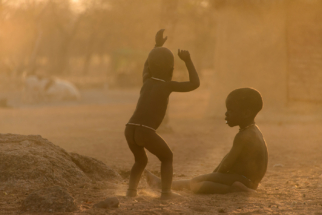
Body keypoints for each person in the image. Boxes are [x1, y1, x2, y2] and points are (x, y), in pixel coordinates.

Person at [146, 88, 268, 194]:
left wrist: (213, 177)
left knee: (197, 185)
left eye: (230, 111)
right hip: (247, 180)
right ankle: (162, 184)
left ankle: (235, 190)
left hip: (243, 181)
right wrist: (214, 176)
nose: (226, 114)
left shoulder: (243, 136)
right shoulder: (253, 130)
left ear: (246, 113)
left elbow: (227, 164)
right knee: (197, 180)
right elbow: (229, 158)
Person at [124, 29, 200, 199]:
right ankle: (166, 193)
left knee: (140, 161)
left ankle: (131, 192)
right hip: (146, 131)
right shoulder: (167, 85)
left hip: (130, 129)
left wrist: (157, 46)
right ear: (171, 68)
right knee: (167, 157)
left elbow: (146, 66)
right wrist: (188, 61)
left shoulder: (146, 81)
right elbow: (195, 83)